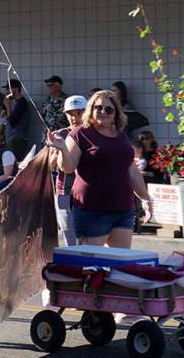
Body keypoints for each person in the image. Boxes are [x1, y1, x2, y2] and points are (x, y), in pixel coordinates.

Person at [46, 89, 152, 248]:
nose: (103, 112)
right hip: (92, 209)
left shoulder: (121, 134)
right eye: (98, 108)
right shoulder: (80, 133)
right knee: (91, 266)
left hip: (123, 208)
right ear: (91, 110)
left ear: (116, 112)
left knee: (119, 264)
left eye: (109, 109)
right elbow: (68, 167)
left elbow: (131, 170)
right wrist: (62, 149)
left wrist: (145, 198)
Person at [47, 95, 87, 246]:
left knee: (88, 239)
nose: (74, 117)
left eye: (79, 112)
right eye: (70, 113)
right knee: (70, 238)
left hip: (88, 193)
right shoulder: (60, 134)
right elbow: (50, 166)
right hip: (64, 191)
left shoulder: (93, 134)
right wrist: (58, 151)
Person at [2, 79, 32, 158]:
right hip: (12, 139)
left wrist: (8, 107)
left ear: (15, 89)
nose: (6, 92)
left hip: (17, 140)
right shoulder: (16, 102)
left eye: (8, 89)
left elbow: (13, 122)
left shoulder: (22, 103)